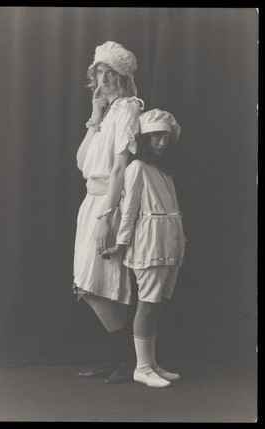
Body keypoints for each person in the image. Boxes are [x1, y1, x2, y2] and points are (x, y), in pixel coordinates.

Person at [73, 41, 144, 383]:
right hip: (91, 201)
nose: (103, 80)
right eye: (98, 72)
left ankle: (125, 362)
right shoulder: (107, 114)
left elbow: (119, 169)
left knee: (108, 283)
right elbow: (81, 161)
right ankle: (115, 359)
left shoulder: (129, 108)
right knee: (94, 284)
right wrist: (94, 116)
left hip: (108, 204)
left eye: (109, 73)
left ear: (121, 76)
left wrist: (106, 217)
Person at [102, 109, 186, 387]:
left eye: (164, 137)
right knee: (147, 305)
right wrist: (121, 242)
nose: (160, 143)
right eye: (154, 138)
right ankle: (141, 368)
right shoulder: (137, 168)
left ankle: (151, 364)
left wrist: (179, 240)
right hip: (149, 242)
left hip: (169, 241)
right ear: (144, 139)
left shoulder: (164, 171)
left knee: (156, 305)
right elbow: (129, 210)